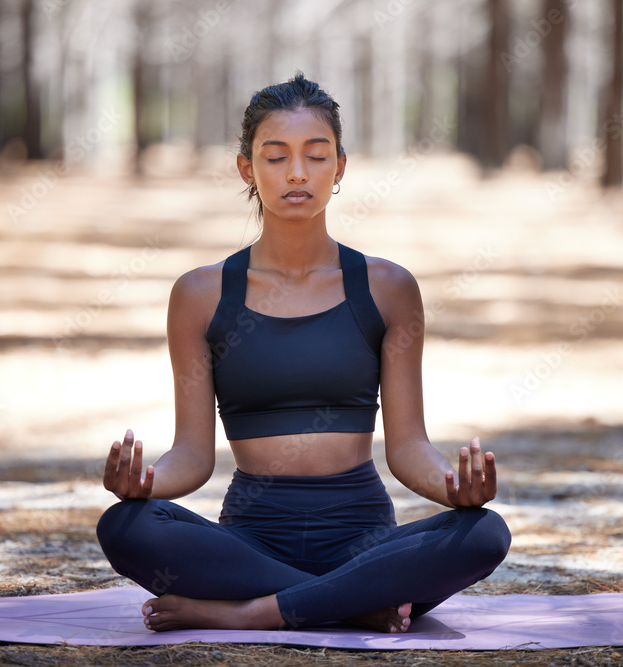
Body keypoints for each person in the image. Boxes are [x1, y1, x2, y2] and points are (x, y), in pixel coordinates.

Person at [96, 73, 510, 634]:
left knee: (484, 533)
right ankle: (350, 604)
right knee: (125, 526)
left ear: (340, 166)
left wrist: (454, 489)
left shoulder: (387, 288)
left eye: (316, 156)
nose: (296, 173)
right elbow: (192, 455)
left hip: (363, 541)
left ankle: (254, 612)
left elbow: (409, 446)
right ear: (247, 168)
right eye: (276, 157)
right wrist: (144, 484)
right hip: (250, 542)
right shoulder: (200, 295)